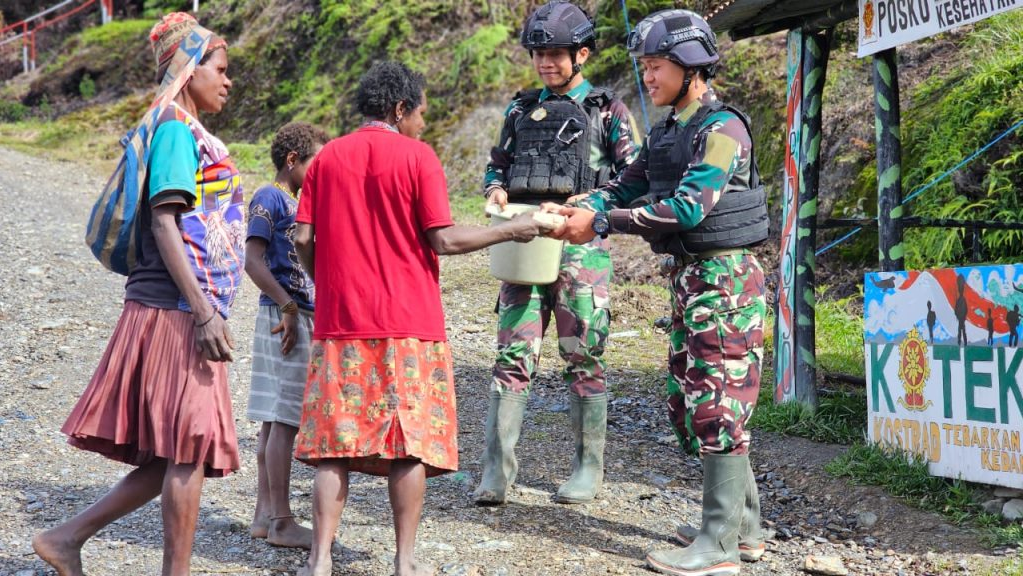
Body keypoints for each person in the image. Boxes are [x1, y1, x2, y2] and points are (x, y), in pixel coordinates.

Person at [291, 61, 554, 576]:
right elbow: (445, 240)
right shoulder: (418, 157)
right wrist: (513, 229)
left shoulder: (327, 159)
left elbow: (302, 237)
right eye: (420, 113)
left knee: (334, 446)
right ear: (399, 109)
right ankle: (405, 562)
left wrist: (327, 281)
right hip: (411, 326)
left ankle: (319, 560)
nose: (423, 123)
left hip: (341, 324)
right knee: (408, 446)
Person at [546, 9, 768, 576]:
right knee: (688, 403)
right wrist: (576, 207)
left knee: (718, 406)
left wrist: (600, 223)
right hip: (690, 280)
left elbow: (690, 207)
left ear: (690, 66)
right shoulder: (670, 130)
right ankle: (744, 528)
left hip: (725, 282)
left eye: (656, 66)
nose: (646, 77)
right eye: (644, 67)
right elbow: (626, 184)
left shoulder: (723, 130)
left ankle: (718, 546)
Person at [32, 12, 242, 576]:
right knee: (189, 449)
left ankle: (65, 538)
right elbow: (164, 223)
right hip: (177, 309)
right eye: (220, 69)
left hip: (178, 306)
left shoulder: (183, 127)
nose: (228, 81)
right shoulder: (174, 129)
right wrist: (203, 311)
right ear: (189, 68)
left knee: (178, 452)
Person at [474, 0, 640, 506]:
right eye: (538, 54)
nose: (545, 63)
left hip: (580, 249)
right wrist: (495, 190)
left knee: (583, 354)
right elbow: (497, 165)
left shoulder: (608, 111)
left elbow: (633, 179)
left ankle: (588, 468)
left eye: (555, 54)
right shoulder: (520, 110)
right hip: (523, 242)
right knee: (512, 353)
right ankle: (496, 471)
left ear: (582, 54)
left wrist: (588, 203)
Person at [245, 121, 329, 548]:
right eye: (315, 163)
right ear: (293, 160)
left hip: (290, 314)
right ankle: (281, 520)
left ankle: (264, 515)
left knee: (274, 420)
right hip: (286, 317)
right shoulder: (270, 198)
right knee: (285, 420)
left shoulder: (296, 203)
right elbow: (253, 261)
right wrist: (289, 305)